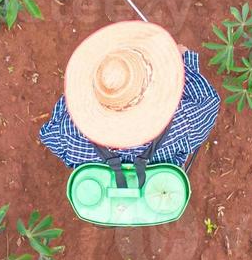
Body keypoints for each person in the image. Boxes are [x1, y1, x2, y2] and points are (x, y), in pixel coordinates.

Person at [39, 20, 221, 170]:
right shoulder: (185, 120)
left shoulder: (70, 134)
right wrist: (184, 61)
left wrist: (75, 98)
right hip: (158, 190)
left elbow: (49, 134)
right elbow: (209, 102)